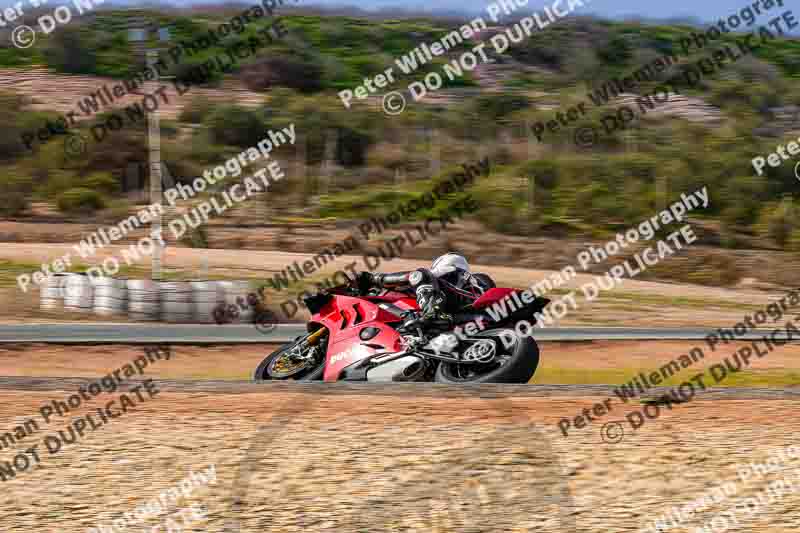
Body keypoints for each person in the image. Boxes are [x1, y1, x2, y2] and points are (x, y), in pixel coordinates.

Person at [357, 253, 494, 326]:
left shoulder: (453, 270)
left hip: (454, 307)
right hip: (470, 318)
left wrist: (373, 280)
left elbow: (417, 278)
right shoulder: (479, 282)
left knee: (419, 274)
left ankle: (430, 313)